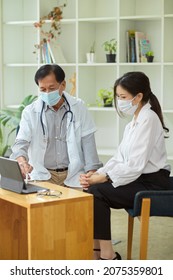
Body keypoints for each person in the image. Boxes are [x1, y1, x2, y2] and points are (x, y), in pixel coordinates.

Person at [80, 71, 171, 260]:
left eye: (123, 97)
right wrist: (97, 173)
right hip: (140, 179)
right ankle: (97, 252)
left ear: (138, 97)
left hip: (152, 183)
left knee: (98, 192)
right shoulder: (133, 123)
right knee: (91, 188)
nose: (120, 101)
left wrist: (104, 178)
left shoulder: (148, 119)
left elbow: (135, 165)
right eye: (118, 97)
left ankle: (107, 255)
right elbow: (119, 158)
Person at [10, 64, 102, 188]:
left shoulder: (78, 107)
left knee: (80, 205)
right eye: (42, 89)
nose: (47, 93)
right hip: (43, 175)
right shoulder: (30, 111)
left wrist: (91, 171)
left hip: (73, 174)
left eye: (51, 88)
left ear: (63, 85)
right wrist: (22, 162)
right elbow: (21, 142)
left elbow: (88, 140)